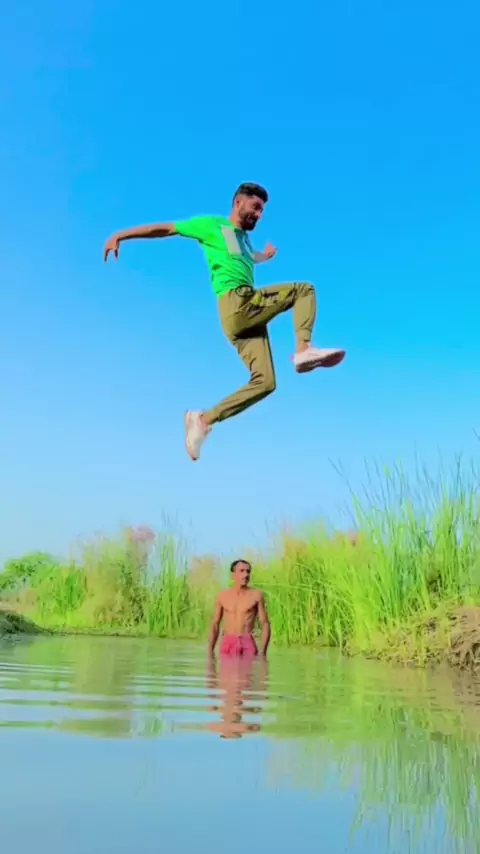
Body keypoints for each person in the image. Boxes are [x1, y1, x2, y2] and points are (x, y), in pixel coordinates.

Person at [103, 182, 345, 462]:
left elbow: (250, 257)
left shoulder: (244, 241)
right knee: (304, 290)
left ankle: (203, 420)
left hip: (241, 323)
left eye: (262, 211)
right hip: (237, 302)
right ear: (238, 203)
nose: (258, 215)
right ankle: (303, 349)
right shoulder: (212, 225)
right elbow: (166, 229)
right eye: (255, 207)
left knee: (265, 382)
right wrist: (120, 235)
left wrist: (266, 256)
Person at [207, 559, 270, 658]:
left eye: (248, 571)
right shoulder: (222, 596)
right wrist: (210, 653)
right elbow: (215, 624)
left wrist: (263, 652)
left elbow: (265, 623)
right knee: (225, 668)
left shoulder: (256, 595)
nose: (246, 574)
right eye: (242, 571)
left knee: (249, 667)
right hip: (228, 642)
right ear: (233, 575)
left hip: (247, 642)